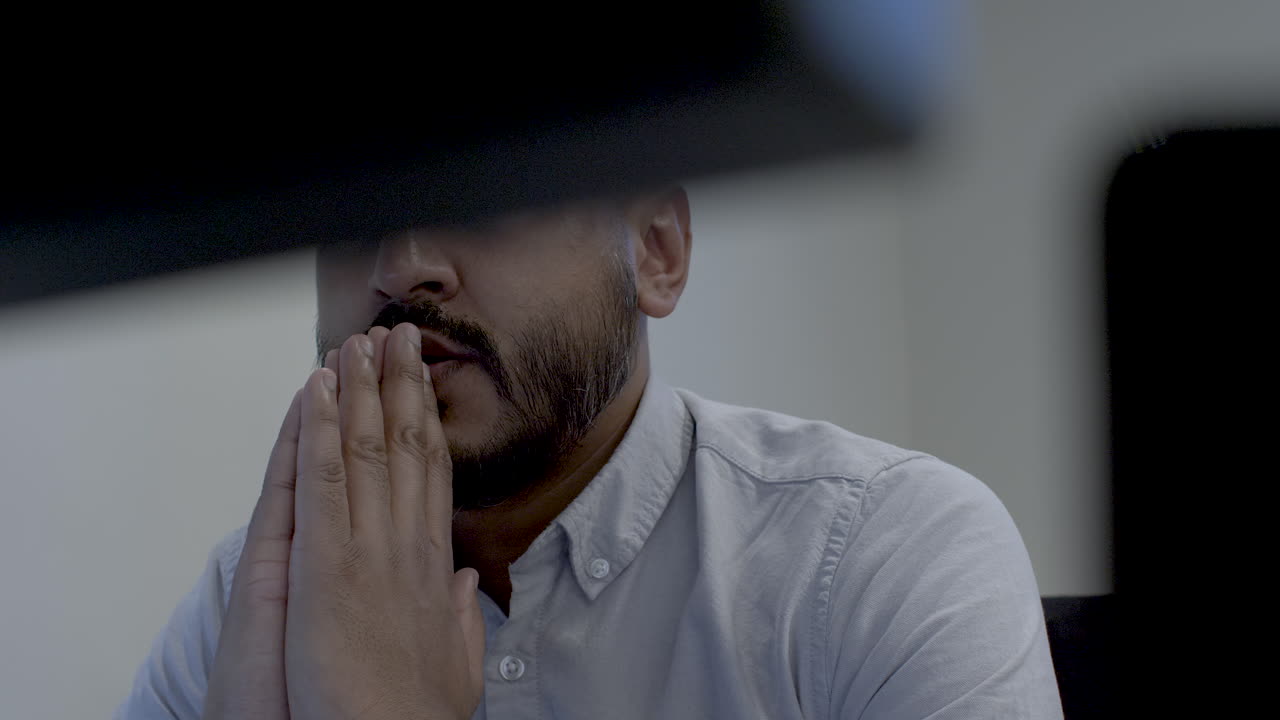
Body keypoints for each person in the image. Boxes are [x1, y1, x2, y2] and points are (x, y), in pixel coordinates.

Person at [114, 188, 1064, 719]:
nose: (400, 266)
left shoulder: (882, 559)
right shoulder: (250, 604)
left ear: (656, 249)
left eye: (485, 184)